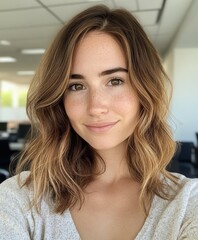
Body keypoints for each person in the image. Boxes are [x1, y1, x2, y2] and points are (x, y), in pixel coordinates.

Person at [0, 5, 197, 240]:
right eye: (76, 86)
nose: (95, 107)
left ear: (145, 88)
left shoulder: (187, 204)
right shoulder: (21, 198)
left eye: (115, 81)